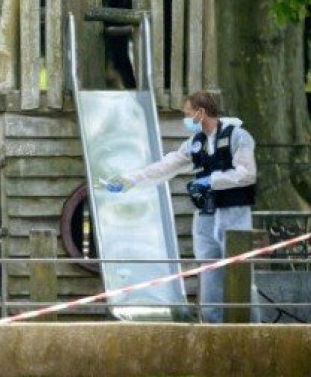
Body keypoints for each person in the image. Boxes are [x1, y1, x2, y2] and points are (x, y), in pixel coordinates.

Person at [106, 91, 257, 323]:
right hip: (206, 213)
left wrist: (212, 180)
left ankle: (251, 327)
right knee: (208, 271)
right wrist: (131, 180)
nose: (186, 118)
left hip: (233, 212)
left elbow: (247, 174)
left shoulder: (238, 136)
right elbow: (167, 165)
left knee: (239, 271)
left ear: (201, 112)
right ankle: (212, 324)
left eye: (188, 113)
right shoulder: (195, 142)